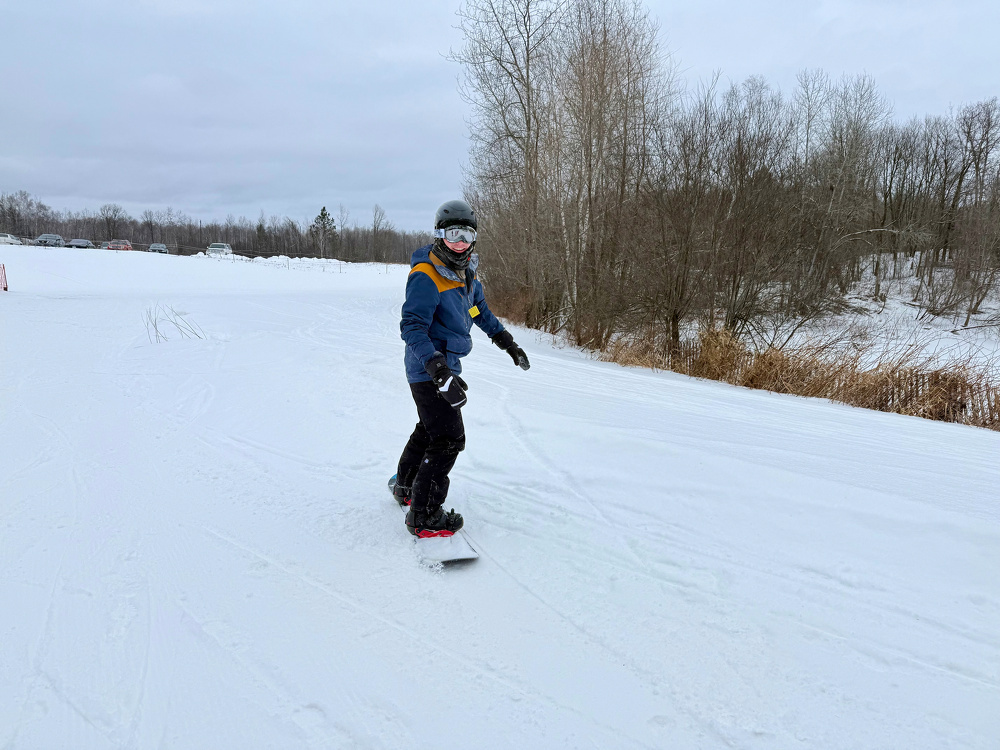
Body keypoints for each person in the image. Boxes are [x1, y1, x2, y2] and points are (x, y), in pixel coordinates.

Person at [394, 199, 530, 537]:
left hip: (445, 365)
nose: (459, 242)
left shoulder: (466, 276)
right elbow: (412, 326)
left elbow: (480, 314)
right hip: (427, 367)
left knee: (429, 428)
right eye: (452, 234)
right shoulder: (426, 276)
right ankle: (424, 516)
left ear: (474, 238)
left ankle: (406, 486)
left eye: (466, 234)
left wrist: (508, 342)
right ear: (439, 235)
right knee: (449, 437)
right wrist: (438, 370)